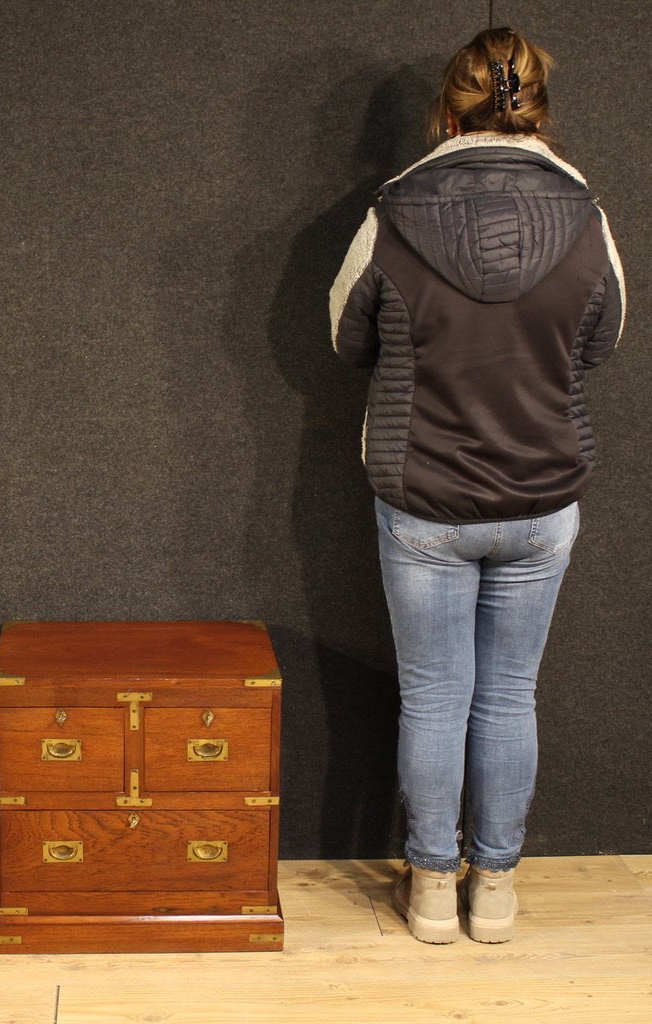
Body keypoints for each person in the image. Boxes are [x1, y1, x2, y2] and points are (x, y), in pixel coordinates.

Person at [329, 27, 625, 944]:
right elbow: (603, 340)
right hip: (541, 499)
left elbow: (346, 336)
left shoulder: (394, 209)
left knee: (435, 697)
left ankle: (427, 891)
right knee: (509, 696)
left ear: (446, 107)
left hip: (424, 495)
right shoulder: (586, 214)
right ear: (536, 102)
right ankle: (492, 891)